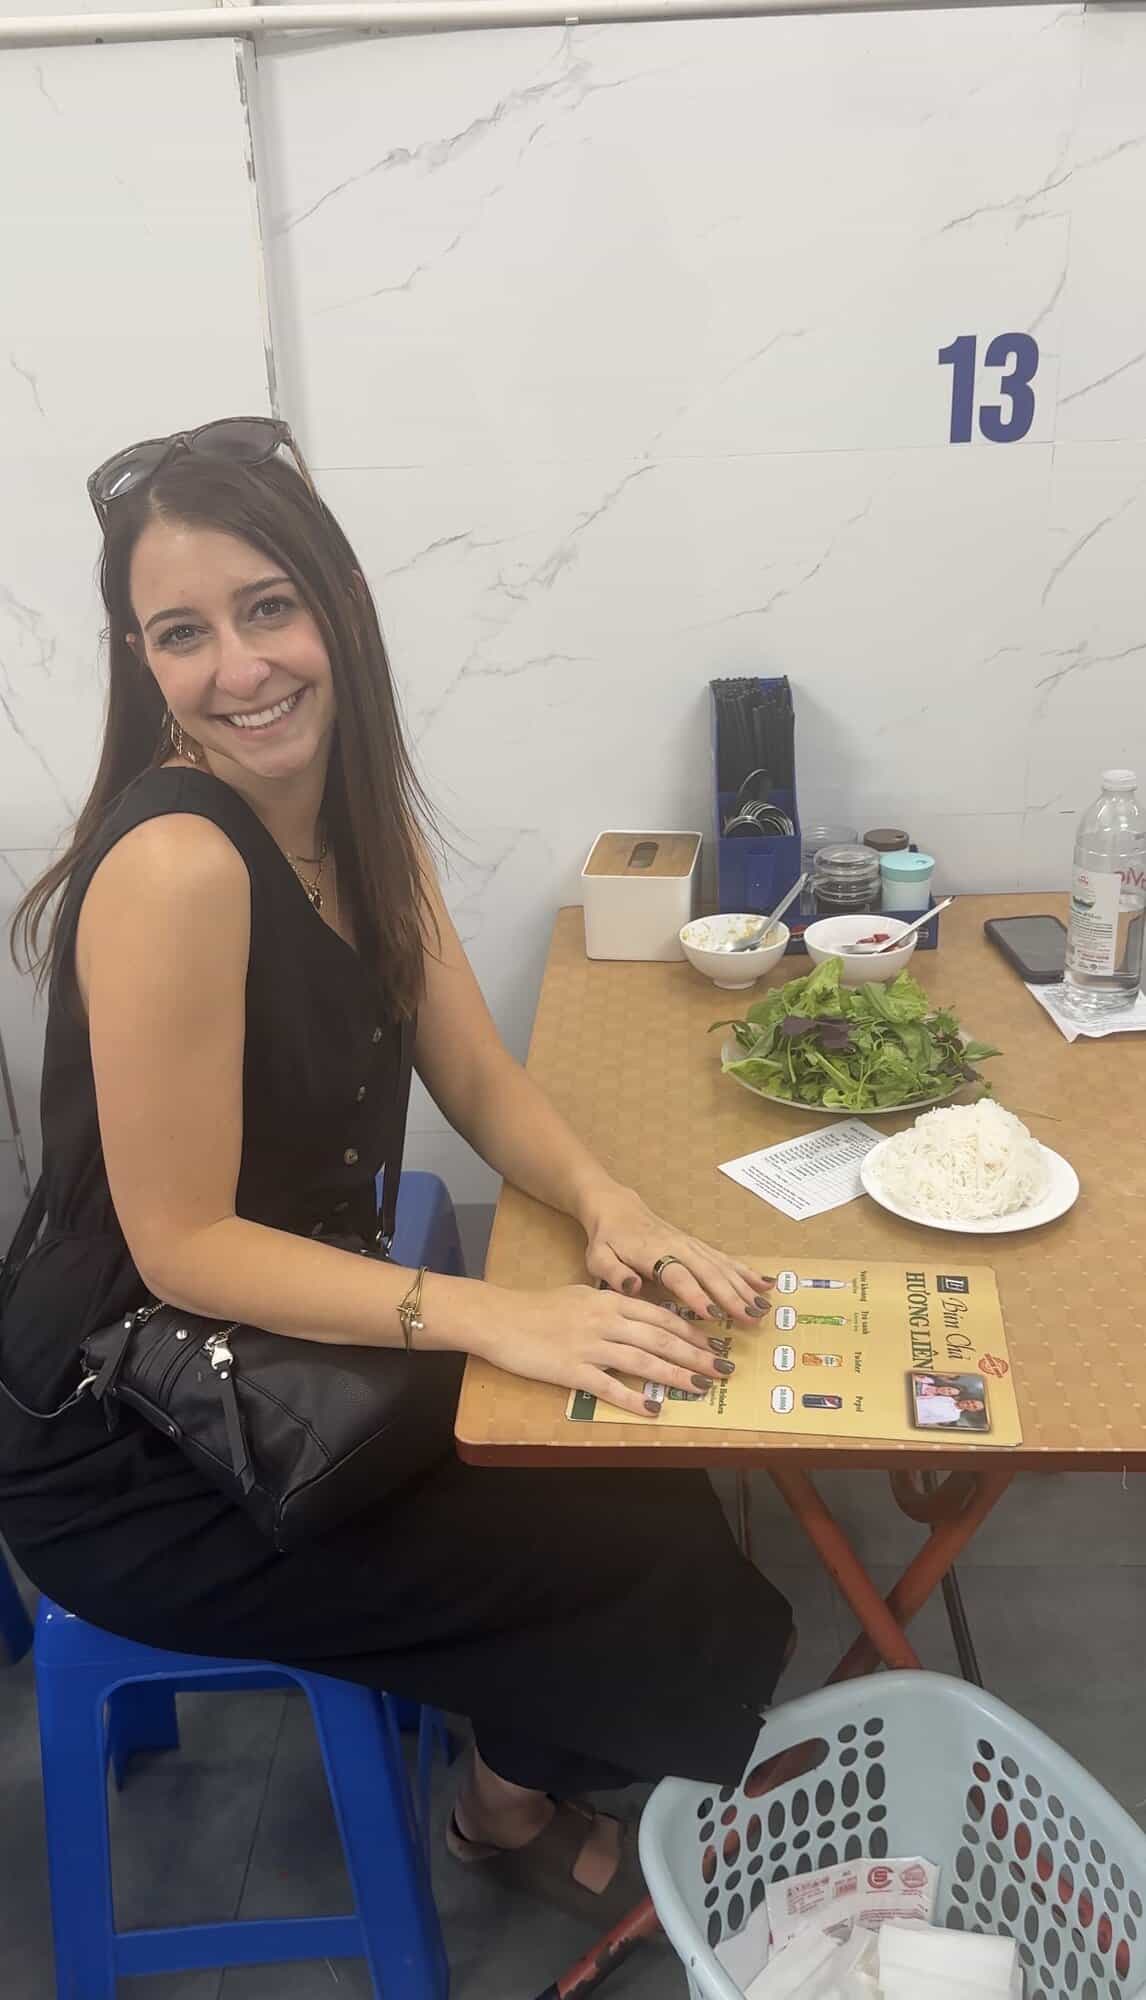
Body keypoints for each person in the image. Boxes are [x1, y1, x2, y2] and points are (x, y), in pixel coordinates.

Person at [0, 419, 793, 1924]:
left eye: (268, 607)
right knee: (612, 1529)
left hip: (280, 1339)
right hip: (135, 1436)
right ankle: (503, 1808)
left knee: (634, 1459)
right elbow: (176, 1248)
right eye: (184, 634)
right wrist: (495, 1314)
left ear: (336, 606)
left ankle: (514, 1773)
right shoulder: (176, 864)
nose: (240, 667)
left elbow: (476, 1075)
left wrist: (611, 1208)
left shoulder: (353, 821)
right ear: (139, 660)